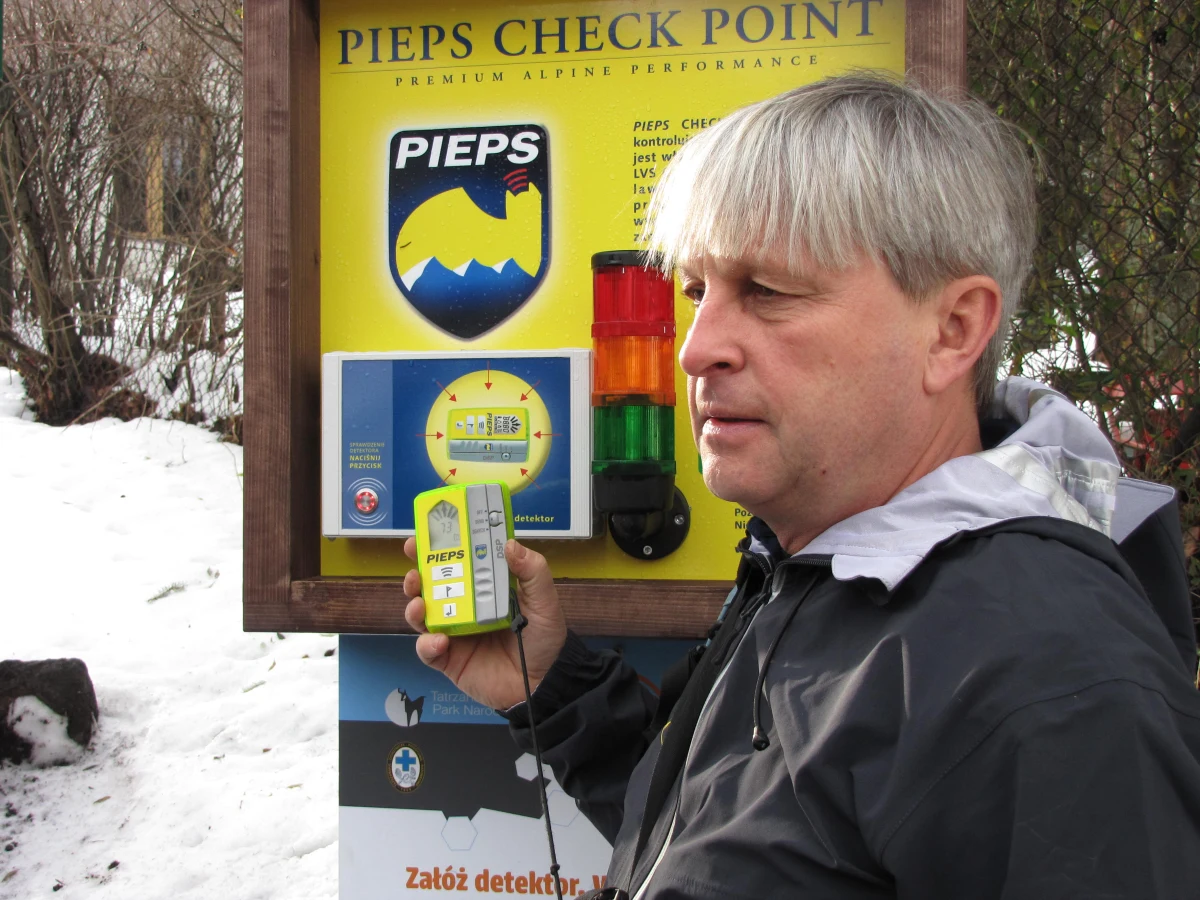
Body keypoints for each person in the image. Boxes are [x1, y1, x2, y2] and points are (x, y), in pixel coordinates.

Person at [403, 74, 1200, 899]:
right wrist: (552, 683)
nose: (695, 347)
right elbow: (733, 836)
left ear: (953, 329)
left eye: (769, 292)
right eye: (698, 292)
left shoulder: (1047, 677)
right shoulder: (826, 559)